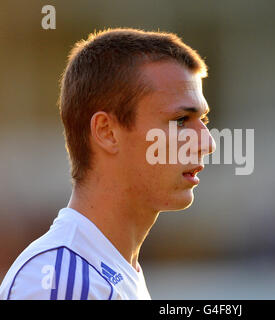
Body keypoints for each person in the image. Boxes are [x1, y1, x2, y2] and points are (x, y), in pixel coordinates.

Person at [0, 28, 215, 300]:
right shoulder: (61, 283)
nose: (207, 143)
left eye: (203, 122)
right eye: (181, 121)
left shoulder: (116, 271)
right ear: (107, 132)